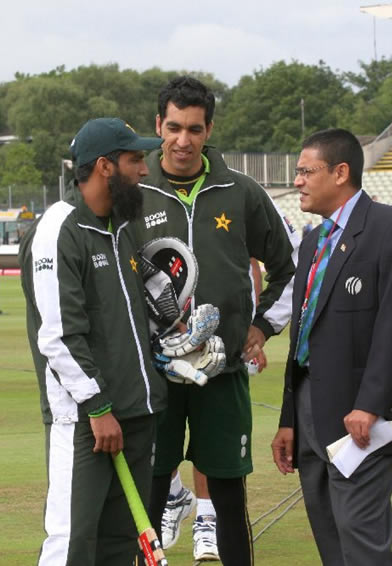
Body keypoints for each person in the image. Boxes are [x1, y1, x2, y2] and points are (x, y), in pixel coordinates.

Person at [132, 76, 300, 566]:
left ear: (209, 130)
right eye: (174, 127)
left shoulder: (242, 192)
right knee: (149, 496)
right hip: (154, 378)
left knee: (228, 499)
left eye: (195, 129)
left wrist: (263, 325)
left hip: (222, 374)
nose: (183, 140)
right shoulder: (132, 192)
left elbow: (290, 268)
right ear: (157, 126)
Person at [271, 128, 392, 566]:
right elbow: (303, 335)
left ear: (340, 172)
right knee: (330, 540)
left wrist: (372, 404)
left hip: (359, 417)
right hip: (309, 414)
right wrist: (290, 419)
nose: (298, 181)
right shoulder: (311, 241)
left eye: (307, 171)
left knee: (361, 541)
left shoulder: (391, 228)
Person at [19, 118, 167, 566]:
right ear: (105, 166)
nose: (144, 170)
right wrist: (98, 407)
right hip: (86, 421)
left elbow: (142, 309)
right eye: (135, 159)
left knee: (120, 547)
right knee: (73, 544)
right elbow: (59, 335)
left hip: (137, 414)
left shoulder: (123, 224)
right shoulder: (58, 229)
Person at [159, 258, 267, 561]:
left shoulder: (236, 210)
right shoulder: (141, 211)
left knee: (214, 450)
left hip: (218, 349)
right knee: (156, 454)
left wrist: (255, 326)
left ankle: (206, 517)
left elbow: (254, 260)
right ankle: (176, 495)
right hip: (161, 345)